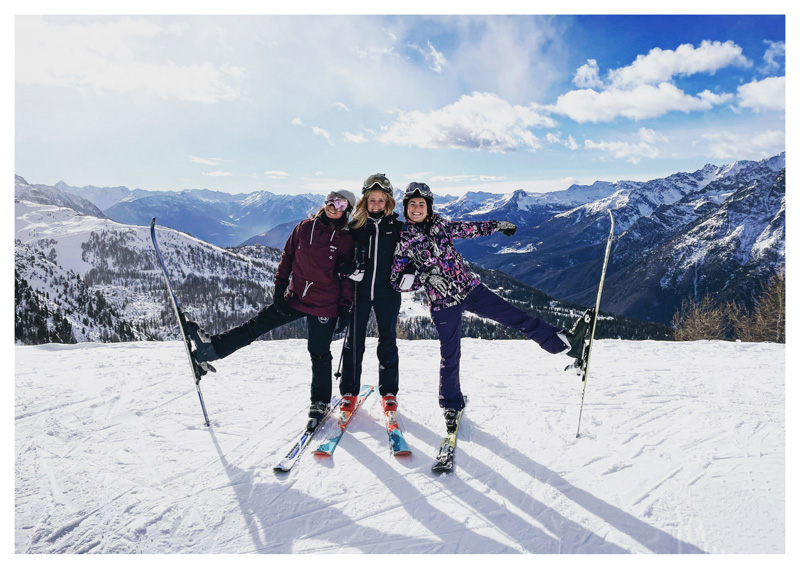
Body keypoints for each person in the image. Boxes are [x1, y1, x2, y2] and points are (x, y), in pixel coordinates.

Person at [390, 182, 589, 433]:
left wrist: (496, 226)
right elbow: (397, 282)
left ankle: (563, 344)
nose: (416, 208)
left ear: (428, 207)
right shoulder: (403, 239)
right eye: (412, 205)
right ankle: (451, 404)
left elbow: (469, 228)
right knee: (450, 355)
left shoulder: (441, 225)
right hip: (443, 303)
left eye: (421, 204)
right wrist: (424, 278)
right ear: (405, 208)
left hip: (471, 290)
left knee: (517, 318)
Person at [187, 190, 358, 431]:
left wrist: (344, 307)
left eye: (341, 203)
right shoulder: (304, 227)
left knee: (319, 353)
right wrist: (280, 286)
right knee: (256, 326)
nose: (333, 206)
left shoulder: (345, 239)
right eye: (331, 200)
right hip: (295, 297)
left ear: (347, 209)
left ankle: (319, 402)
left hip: (325, 304)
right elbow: (287, 256)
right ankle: (211, 350)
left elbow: (348, 279)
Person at [339, 173, 403, 413]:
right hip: (360, 291)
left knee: (388, 340)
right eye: (372, 200)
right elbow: (340, 257)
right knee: (354, 341)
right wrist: (348, 270)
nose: (376, 204)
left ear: (388, 202)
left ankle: (388, 392)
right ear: (364, 201)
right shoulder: (355, 227)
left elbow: (408, 258)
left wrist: (409, 274)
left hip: (388, 292)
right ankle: (349, 391)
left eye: (381, 200)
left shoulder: (397, 228)